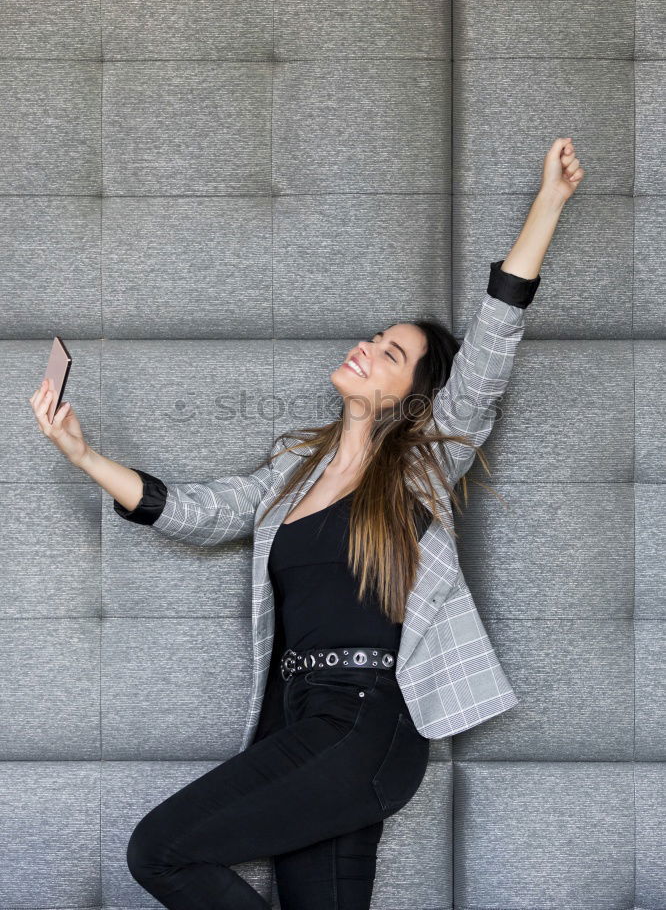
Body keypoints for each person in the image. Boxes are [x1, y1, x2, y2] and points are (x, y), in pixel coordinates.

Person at [29, 138, 583, 909]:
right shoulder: (295, 467)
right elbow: (198, 510)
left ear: (413, 398)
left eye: (389, 353)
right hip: (301, 718)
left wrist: (549, 203)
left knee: (160, 851)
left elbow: (492, 347)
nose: (365, 348)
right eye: (373, 339)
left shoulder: (422, 467)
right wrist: (84, 455)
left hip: (369, 722)